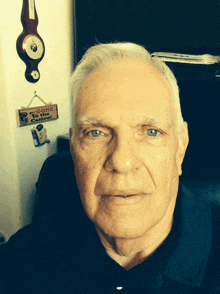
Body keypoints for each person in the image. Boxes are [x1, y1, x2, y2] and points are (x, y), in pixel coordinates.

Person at [1, 42, 220, 293]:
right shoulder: (22, 259)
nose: (121, 161)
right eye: (96, 133)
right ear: (74, 149)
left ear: (180, 147)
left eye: (150, 132)